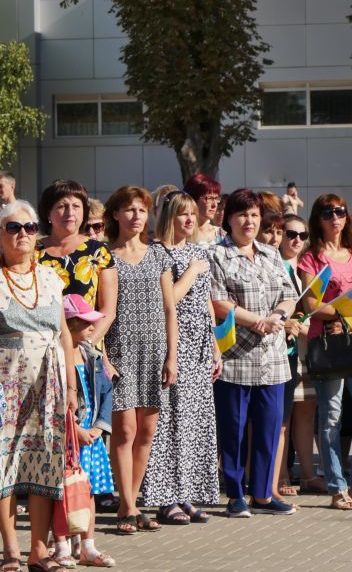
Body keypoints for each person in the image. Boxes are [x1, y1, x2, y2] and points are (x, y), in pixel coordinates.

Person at [0, 200, 76, 572]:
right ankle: (11, 550)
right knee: (0, 463)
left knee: (44, 462)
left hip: (49, 385)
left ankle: (39, 551)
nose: (23, 235)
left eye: (29, 228)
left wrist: (73, 388)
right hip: (3, 384)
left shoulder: (49, 277)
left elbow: (63, 334)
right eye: (13, 228)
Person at [210, 188, 298, 518]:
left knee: (269, 427)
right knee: (233, 428)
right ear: (229, 219)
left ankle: (263, 493)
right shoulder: (216, 255)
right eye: (243, 214)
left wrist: (278, 317)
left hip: (273, 356)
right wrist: (257, 321)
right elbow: (218, 303)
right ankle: (235, 494)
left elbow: (290, 295)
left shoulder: (271, 254)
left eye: (255, 215)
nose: (249, 221)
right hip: (235, 356)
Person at [299, 194, 352, 511]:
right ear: (317, 219)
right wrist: (337, 316)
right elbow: (310, 306)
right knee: (331, 417)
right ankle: (337, 488)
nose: (334, 217)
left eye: (339, 211)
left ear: (347, 217)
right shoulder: (312, 258)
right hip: (329, 345)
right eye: (326, 213)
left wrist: (349, 316)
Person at [140, 191, 221, 525]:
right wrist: (189, 273)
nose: (189, 220)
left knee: (193, 422)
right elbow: (167, 300)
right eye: (182, 214)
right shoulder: (157, 253)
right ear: (169, 218)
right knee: (169, 423)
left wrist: (216, 346)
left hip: (200, 347)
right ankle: (163, 498)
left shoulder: (198, 252)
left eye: (192, 214)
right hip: (173, 346)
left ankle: (185, 493)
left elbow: (206, 303)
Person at [103, 186, 178, 534]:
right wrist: (103, 355)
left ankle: (127, 503)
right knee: (125, 431)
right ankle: (129, 506)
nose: (136, 216)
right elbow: (101, 313)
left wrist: (172, 357)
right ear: (116, 214)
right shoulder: (105, 256)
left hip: (154, 352)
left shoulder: (159, 255)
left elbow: (169, 308)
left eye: (142, 210)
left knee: (146, 432)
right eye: (129, 209)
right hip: (120, 351)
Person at [57, 294, 114, 568]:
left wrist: (99, 428)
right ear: (68, 325)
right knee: (63, 493)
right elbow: (57, 397)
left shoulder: (91, 353)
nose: (93, 328)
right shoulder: (57, 356)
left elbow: (106, 391)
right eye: (86, 323)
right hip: (68, 439)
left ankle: (87, 546)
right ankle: (61, 545)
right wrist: (75, 429)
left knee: (88, 492)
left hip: (91, 439)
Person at [255, 208, 306, 505]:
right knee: (258, 425)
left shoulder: (285, 266)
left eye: (278, 232)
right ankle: (258, 485)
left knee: (279, 423)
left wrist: (295, 320)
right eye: (271, 232)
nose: (275, 239)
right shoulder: (259, 262)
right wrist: (281, 321)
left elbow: (289, 304)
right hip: (256, 351)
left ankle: (272, 485)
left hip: (284, 353)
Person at [35, 180, 117, 348]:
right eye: (62, 206)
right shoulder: (33, 253)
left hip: (86, 348)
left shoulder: (99, 251)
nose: (70, 212)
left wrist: (84, 346)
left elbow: (108, 312)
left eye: (76, 206)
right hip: (42, 348)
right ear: (48, 214)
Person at [278, 215, 323, 495]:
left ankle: (308, 474)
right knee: (283, 417)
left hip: (307, 347)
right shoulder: (274, 263)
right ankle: (281, 475)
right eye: (291, 234)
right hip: (283, 348)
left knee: (307, 410)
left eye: (302, 235)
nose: (297, 240)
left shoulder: (306, 266)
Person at [183, 173, 223, 246]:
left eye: (216, 198)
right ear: (193, 199)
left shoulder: (222, 235)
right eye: (210, 198)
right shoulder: (180, 235)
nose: (215, 205)